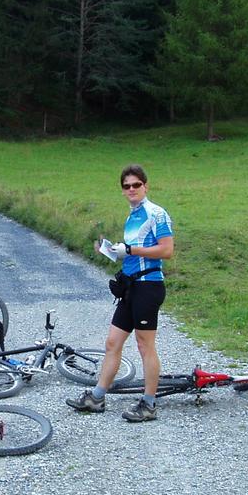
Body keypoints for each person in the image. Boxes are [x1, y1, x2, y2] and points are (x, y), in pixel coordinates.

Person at [66, 164, 174, 421]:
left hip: (149, 285)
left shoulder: (156, 214)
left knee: (145, 345)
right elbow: (131, 251)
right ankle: (97, 397)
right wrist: (112, 252)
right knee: (112, 343)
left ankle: (149, 404)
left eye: (136, 184)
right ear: (123, 191)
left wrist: (132, 251)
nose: (132, 189)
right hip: (131, 286)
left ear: (145, 186)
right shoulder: (132, 216)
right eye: (126, 186)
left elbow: (166, 250)